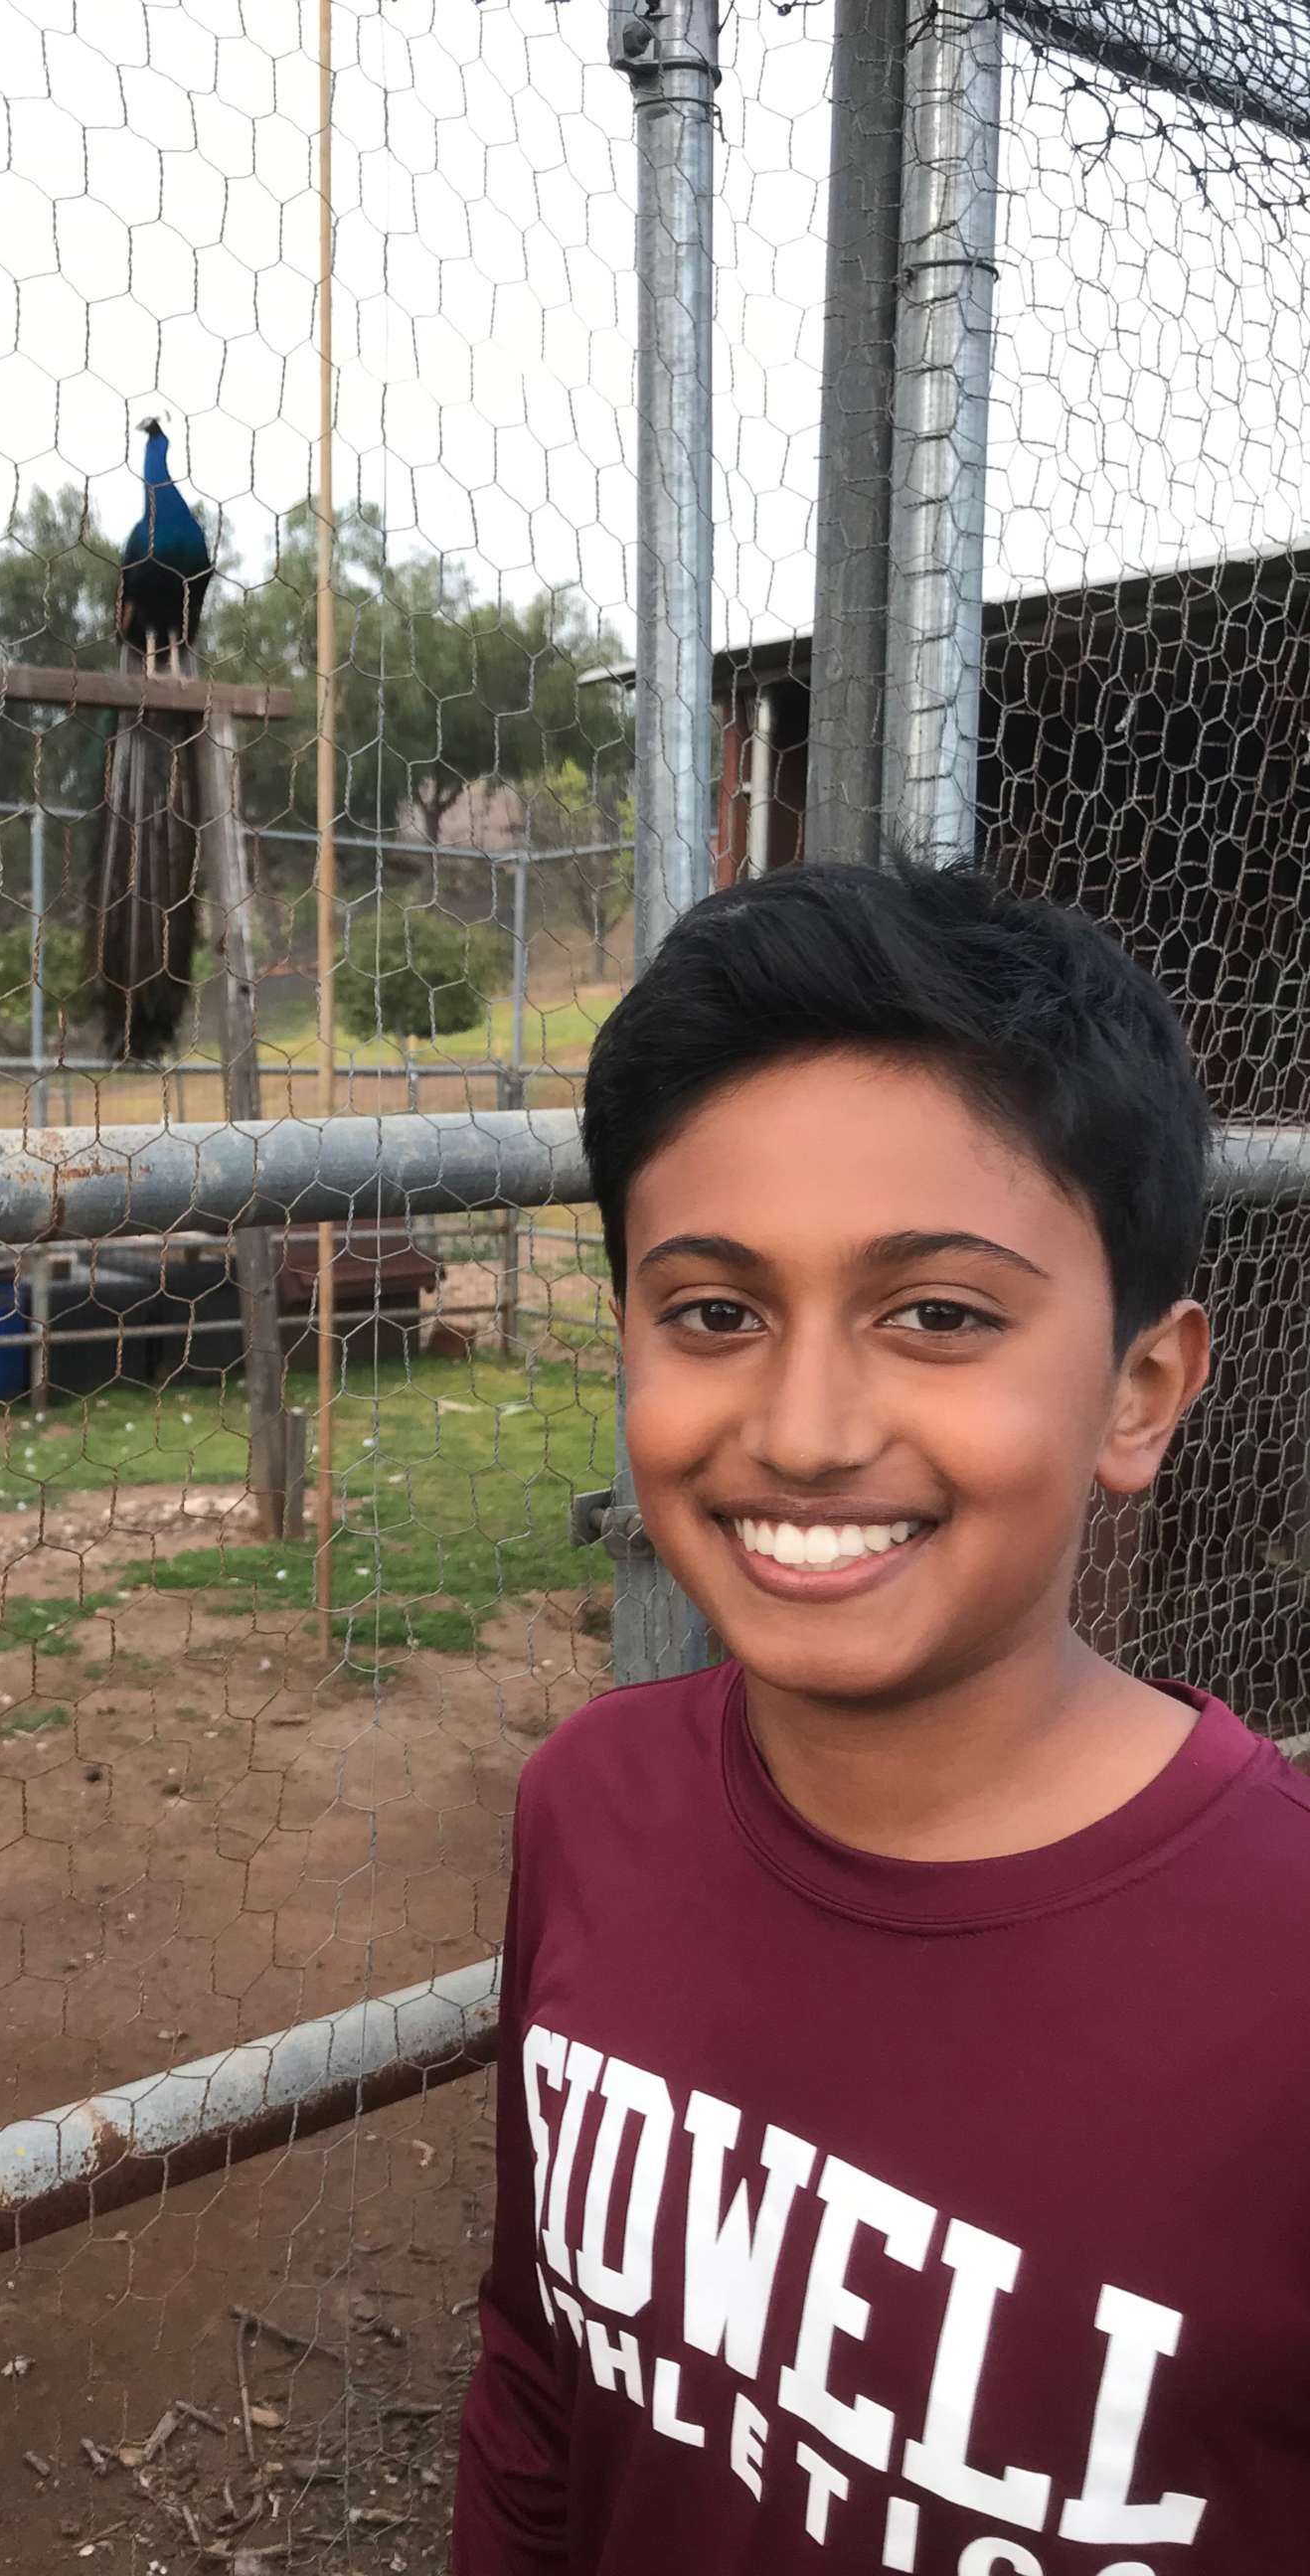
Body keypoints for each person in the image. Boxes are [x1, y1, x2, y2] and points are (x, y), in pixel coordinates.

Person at [451, 858, 1310, 2573]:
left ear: (1141, 1391)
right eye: (715, 1313)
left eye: (938, 1315)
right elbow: (541, 2382)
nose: (809, 1425)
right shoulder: (588, 1808)